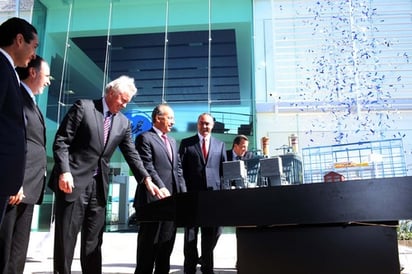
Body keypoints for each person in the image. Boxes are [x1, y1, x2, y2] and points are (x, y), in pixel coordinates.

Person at [48, 75, 165, 274]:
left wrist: (147, 179)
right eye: (123, 100)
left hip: (98, 188)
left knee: (94, 242)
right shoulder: (83, 107)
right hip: (72, 182)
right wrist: (64, 171)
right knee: (66, 239)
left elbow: (132, 154)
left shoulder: (123, 123)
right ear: (111, 93)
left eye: (127, 102)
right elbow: (61, 142)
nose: (125, 105)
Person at [0, 55, 50, 274]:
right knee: (4, 247)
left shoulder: (32, 102)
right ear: (33, 72)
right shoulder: (16, 95)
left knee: (18, 249)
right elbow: (15, 139)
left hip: (29, 185)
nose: (48, 81)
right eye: (47, 76)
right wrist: (15, 181)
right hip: (16, 185)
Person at [134, 103, 186, 274]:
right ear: (158, 118)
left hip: (171, 205)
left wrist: (183, 195)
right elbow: (147, 167)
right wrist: (161, 188)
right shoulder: (144, 138)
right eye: (170, 117)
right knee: (147, 253)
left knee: (165, 251)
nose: (173, 121)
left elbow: (177, 170)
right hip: (152, 203)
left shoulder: (172, 141)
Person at [0, 17, 38, 225]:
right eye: (34, 46)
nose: (34, 54)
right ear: (19, 40)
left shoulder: (9, 71)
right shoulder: (1, 67)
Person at [179, 113, 227, 274]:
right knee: (190, 235)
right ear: (197, 125)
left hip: (212, 198)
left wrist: (222, 195)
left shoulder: (220, 145)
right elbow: (180, 171)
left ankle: (207, 267)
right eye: (202, 123)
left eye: (207, 124)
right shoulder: (186, 144)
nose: (204, 126)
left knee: (209, 234)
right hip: (191, 196)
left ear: (212, 125)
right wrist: (183, 192)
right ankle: (189, 268)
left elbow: (223, 172)